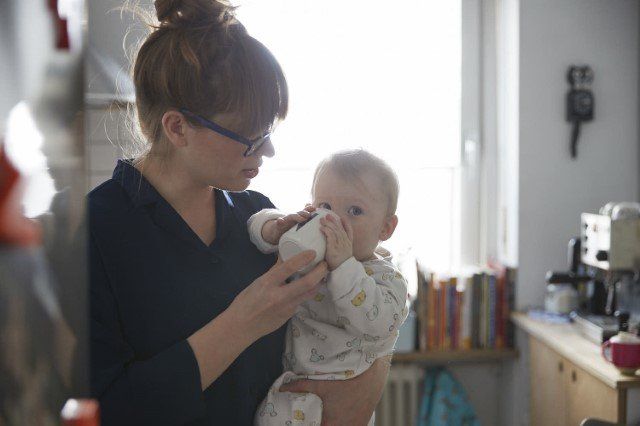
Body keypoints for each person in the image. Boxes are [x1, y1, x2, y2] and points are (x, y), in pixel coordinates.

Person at [88, 1, 390, 425]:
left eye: (268, 131)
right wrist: (242, 323)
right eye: (250, 136)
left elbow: (345, 333)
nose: (268, 151)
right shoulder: (91, 235)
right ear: (177, 128)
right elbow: (103, 412)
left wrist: (370, 379)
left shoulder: (260, 217)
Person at [248, 149, 408, 425]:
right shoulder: (313, 256)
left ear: (385, 228)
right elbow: (253, 225)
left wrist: (345, 265)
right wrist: (274, 228)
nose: (334, 221)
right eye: (325, 207)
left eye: (354, 211)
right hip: (292, 390)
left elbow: (378, 323)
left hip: (346, 391)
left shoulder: (387, 279)